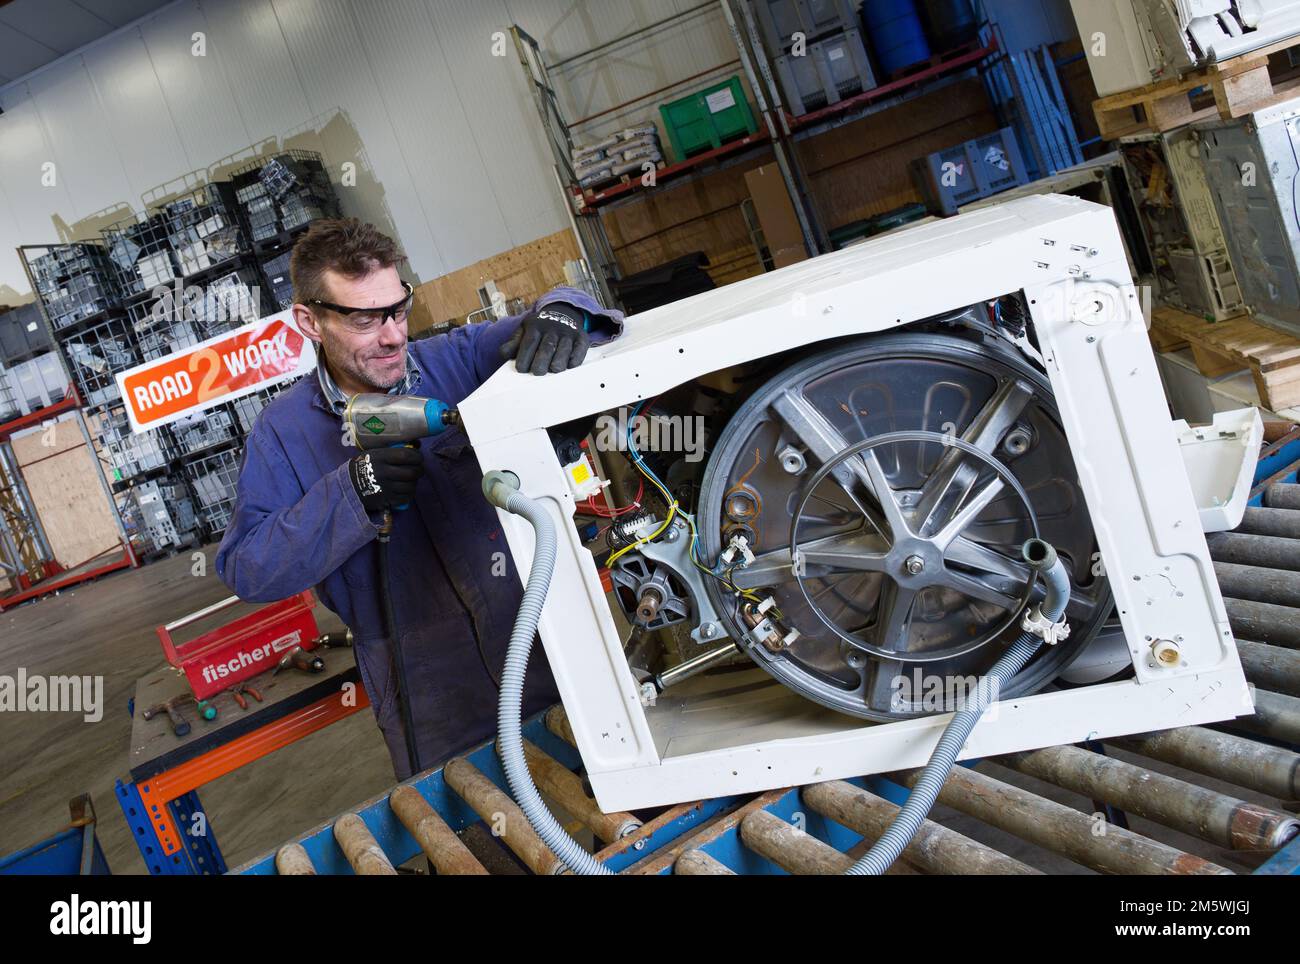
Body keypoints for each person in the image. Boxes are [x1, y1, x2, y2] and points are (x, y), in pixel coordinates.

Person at [216, 218, 623, 778]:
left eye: (398, 310)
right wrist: (351, 493)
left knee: (626, 802)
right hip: (425, 685)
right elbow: (249, 569)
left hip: (539, 630)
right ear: (309, 321)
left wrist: (564, 310)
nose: (392, 336)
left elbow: (572, 320)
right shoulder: (282, 434)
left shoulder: (457, 361)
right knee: (481, 844)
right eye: (364, 319)